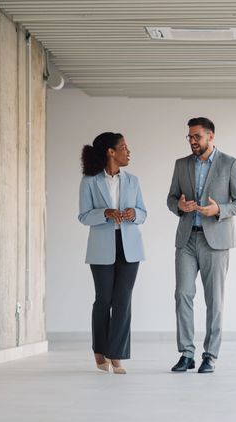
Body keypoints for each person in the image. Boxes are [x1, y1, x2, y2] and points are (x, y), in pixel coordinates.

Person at [166, 117, 236, 374]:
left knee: (214, 301)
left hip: (216, 241)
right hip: (187, 239)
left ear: (210, 136)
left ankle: (210, 355)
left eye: (197, 137)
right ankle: (187, 353)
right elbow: (171, 199)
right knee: (183, 294)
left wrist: (218, 210)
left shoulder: (230, 164)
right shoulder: (181, 165)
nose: (192, 141)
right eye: (189, 137)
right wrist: (179, 206)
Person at [78, 132, 147, 374]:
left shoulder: (133, 181)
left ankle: (116, 354)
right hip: (102, 247)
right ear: (110, 151)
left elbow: (143, 213)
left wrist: (133, 214)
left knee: (123, 301)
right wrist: (105, 213)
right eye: (123, 147)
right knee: (103, 300)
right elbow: (84, 216)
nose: (128, 152)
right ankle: (100, 350)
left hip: (130, 247)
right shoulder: (90, 181)